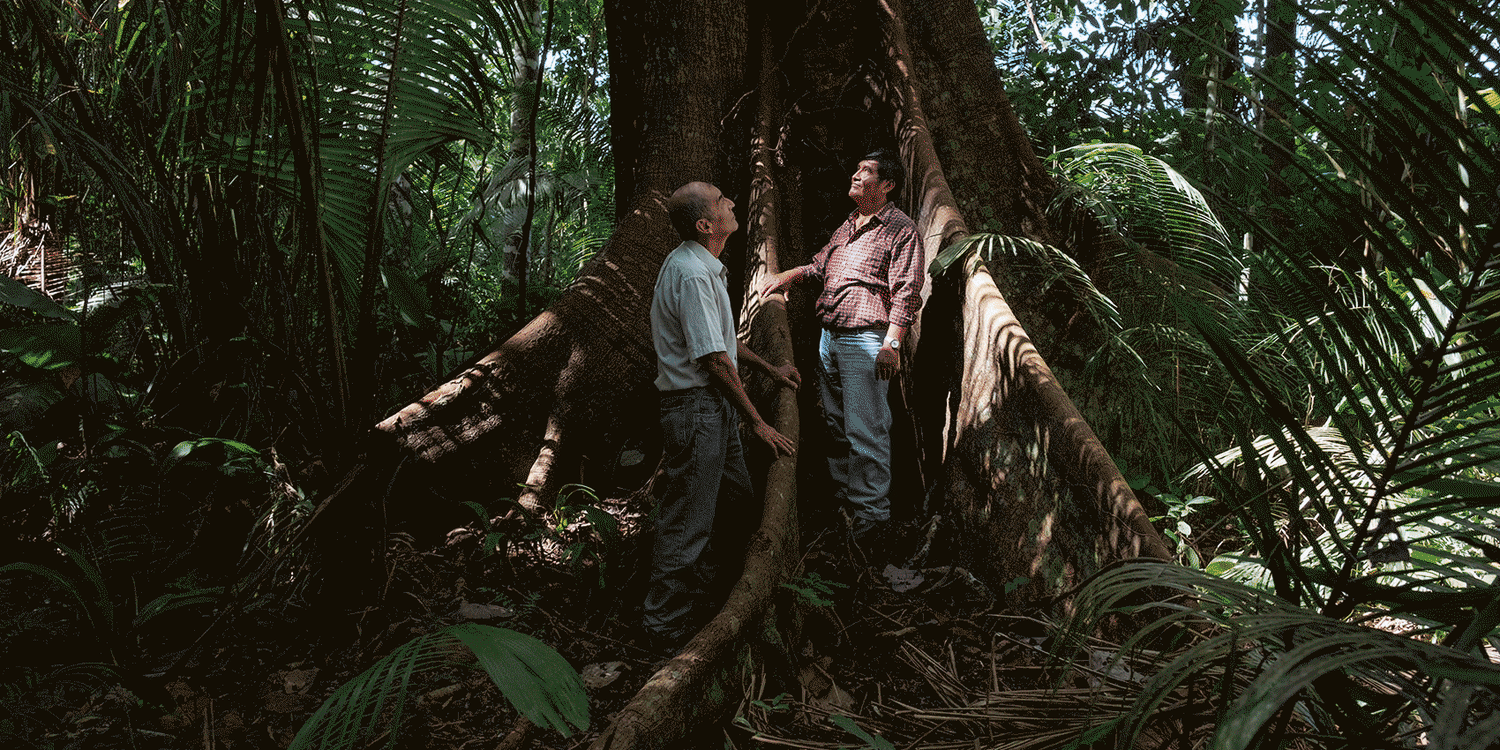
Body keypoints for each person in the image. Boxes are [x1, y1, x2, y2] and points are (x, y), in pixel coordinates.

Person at [646, 181, 800, 644]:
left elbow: (725, 344)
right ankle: (664, 626)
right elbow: (714, 362)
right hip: (696, 410)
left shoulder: (705, 267)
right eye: (720, 201)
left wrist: (772, 369)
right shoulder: (692, 274)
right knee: (688, 518)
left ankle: (714, 596)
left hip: (711, 409)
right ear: (706, 224)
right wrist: (758, 421)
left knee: (735, 498)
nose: (732, 202)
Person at [761, 150, 923, 542]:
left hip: (866, 340)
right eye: (857, 167)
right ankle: (845, 502)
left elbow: (907, 291)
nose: (855, 175)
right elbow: (821, 265)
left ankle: (871, 516)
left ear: (886, 185)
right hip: (830, 337)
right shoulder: (849, 224)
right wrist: (790, 274)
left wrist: (893, 345)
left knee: (866, 429)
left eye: (865, 171)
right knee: (836, 424)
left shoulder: (900, 229)